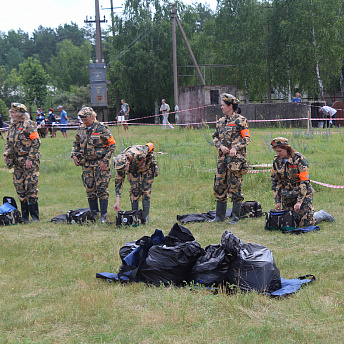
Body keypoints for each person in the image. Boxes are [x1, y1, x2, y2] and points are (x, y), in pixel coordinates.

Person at [270, 137, 335, 227]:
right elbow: (276, 181)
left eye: (280, 151)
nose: (278, 153)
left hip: (303, 194)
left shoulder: (299, 159)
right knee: (289, 222)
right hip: (287, 195)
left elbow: (304, 182)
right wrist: (277, 201)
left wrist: (299, 202)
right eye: (276, 151)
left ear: (287, 148)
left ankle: (321, 214)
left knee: (304, 223)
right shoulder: (276, 161)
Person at [71, 107, 116, 223]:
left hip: (100, 163)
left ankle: (103, 215)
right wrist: (74, 154)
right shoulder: (81, 128)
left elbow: (111, 145)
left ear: (92, 117)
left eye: (85, 119)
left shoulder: (101, 128)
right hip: (86, 163)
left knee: (101, 189)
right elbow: (76, 143)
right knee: (89, 188)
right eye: (82, 120)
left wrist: (105, 161)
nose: (84, 122)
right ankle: (94, 213)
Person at [212, 93, 251, 224]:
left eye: (223, 105)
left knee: (235, 186)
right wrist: (221, 146)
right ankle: (219, 217)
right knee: (219, 185)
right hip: (222, 159)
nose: (221, 107)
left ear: (230, 106)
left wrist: (236, 148)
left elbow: (246, 138)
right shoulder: (220, 122)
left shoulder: (241, 120)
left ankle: (235, 217)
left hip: (235, 160)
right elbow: (215, 137)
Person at [3, 103, 41, 222]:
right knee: (20, 187)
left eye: (13, 112)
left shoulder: (28, 125)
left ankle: (34, 217)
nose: (11, 114)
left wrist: (30, 158)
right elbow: (8, 143)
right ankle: (24, 217)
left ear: (20, 114)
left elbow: (36, 142)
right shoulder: (12, 127)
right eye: (11, 112)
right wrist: (6, 154)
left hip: (29, 161)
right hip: (17, 162)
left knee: (30, 187)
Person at [113, 143, 159, 222]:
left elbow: (150, 145)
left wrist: (144, 161)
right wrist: (117, 202)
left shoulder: (139, 154)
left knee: (146, 189)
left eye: (124, 170)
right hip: (133, 169)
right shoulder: (121, 163)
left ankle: (145, 217)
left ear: (127, 163)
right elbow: (118, 183)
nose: (123, 172)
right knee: (134, 189)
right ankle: (135, 215)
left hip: (147, 167)